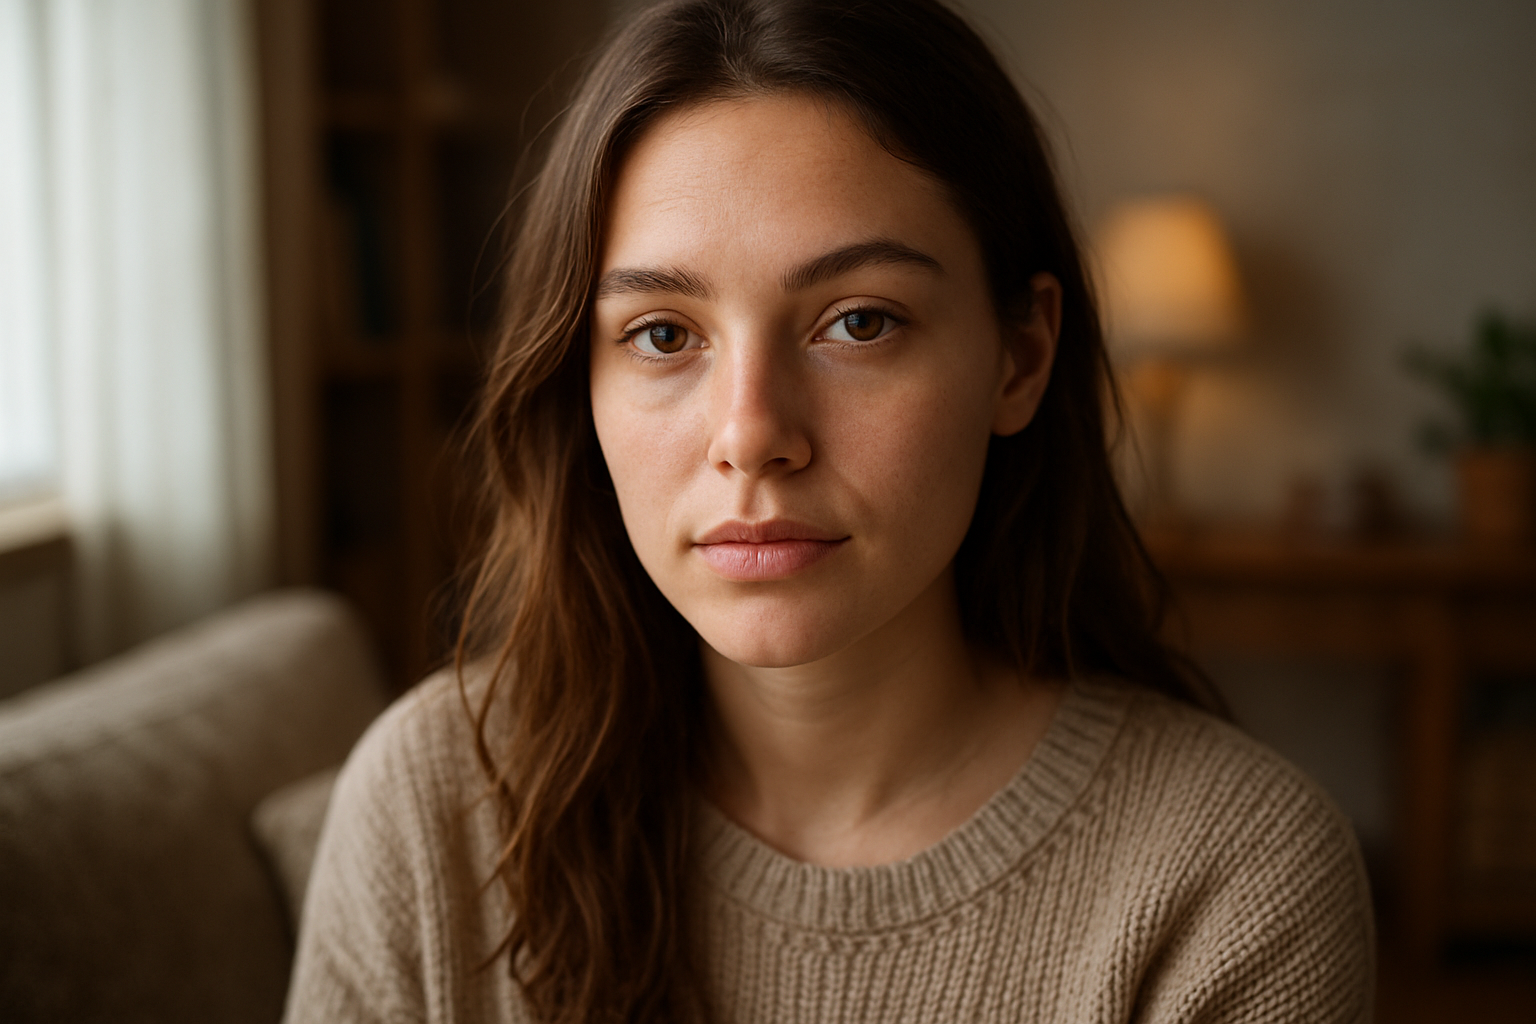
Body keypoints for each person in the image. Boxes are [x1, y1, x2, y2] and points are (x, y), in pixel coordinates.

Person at [284, 1, 1375, 1021]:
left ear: (1020, 356)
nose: (751, 432)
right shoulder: (432, 807)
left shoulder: (1233, 878)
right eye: (664, 334)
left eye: (858, 322)